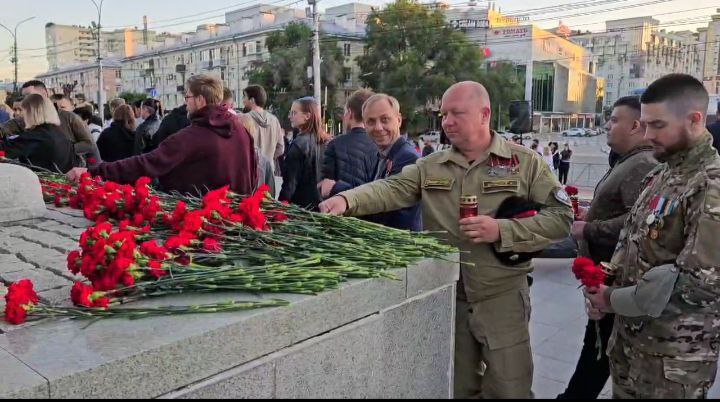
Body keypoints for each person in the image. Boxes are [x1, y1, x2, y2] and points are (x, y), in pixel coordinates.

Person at [319, 81, 573, 398]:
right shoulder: (430, 166)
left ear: (484, 114)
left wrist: (502, 230)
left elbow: (562, 218)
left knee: (511, 388)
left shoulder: (523, 163)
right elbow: (391, 189)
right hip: (450, 295)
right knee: (456, 385)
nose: (447, 122)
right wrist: (346, 201)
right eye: (444, 114)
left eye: (457, 113)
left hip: (502, 296)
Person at [584, 74, 720, 399]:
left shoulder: (709, 185)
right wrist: (605, 287)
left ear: (694, 120)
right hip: (631, 346)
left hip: (673, 361)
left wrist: (612, 299)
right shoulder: (661, 172)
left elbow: (701, 285)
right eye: (644, 124)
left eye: (657, 125)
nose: (647, 135)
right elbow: (631, 239)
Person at [558, 96, 658, 399]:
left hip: (616, 278)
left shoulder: (641, 164)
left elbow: (639, 222)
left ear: (635, 126)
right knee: (597, 350)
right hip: (605, 277)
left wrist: (588, 228)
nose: (607, 126)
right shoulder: (627, 161)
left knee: (598, 351)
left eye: (615, 120)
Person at [66, 74, 257, 196]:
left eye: (187, 97)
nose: (185, 103)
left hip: (207, 228)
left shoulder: (193, 136)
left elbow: (146, 163)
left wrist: (93, 171)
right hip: (236, 221)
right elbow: (253, 174)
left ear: (200, 100)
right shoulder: (240, 129)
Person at [357, 93, 421, 231]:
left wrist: (340, 193)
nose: (378, 127)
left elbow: (384, 207)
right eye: (371, 121)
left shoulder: (407, 158)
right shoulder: (380, 155)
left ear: (398, 120)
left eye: (385, 119)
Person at [317, 89, 377, 199]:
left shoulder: (334, 145)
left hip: (342, 211)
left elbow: (326, 188)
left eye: (344, 113)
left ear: (349, 113)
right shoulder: (380, 145)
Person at [0, 94, 75, 172]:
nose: (19, 114)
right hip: (61, 179)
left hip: (45, 181)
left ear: (33, 112)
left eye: (23, 110)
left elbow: (6, 149)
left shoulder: (37, 136)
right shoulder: (56, 131)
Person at [279, 96, 329, 210]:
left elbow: (289, 184)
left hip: (301, 209)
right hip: (323, 206)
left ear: (307, 116)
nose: (289, 116)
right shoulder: (327, 142)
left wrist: (279, 209)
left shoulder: (298, 145)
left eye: (294, 113)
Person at [20, 81, 94, 158]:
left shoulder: (69, 117)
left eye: (29, 95)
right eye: (23, 97)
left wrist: (65, 149)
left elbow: (89, 143)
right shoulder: (23, 119)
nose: (26, 100)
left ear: (44, 94)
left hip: (65, 167)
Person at [243, 85, 285, 174]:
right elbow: (281, 148)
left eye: (244, 97)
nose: (243, 100)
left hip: (251, 171)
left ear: (252, 100)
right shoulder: (274, 120)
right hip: (269, 170)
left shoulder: (244, 119)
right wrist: (269, 158)